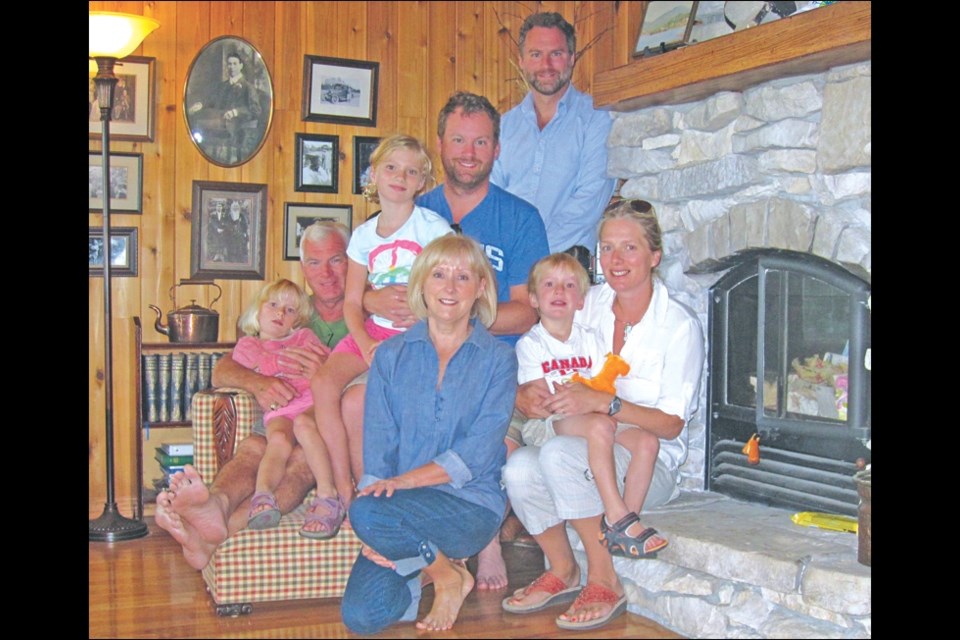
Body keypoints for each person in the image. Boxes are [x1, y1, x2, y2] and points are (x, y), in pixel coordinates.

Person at [351, 91, 549, 590]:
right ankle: (391, 527)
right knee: (364, 406)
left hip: (495, 359)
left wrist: (459, 321)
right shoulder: (413, 205)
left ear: (496, 149)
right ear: (439, 145)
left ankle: (480, 545)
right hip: (411, 354)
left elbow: (527, 308)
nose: (469, 150)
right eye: (459, 139)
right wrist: (375, 302)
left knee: (488, 434)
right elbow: (364, 285)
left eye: (481, 141)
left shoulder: (520, 218)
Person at [501, 199, 704, 631]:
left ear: (654, 256)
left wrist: (605, 405)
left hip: (648, 462)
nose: (616, 260)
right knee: (519, 467)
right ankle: (562, 568)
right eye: (606, 248)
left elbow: (671, 425)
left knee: (557, 455)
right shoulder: (584, 301)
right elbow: (543, 352)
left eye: (629, 248)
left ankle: (604, 575)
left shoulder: (678, 326)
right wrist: (524, 395)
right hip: (584, 439)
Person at [340, 234, 518, 634]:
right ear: (421, 285)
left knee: (368, 511)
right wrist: (376, 523)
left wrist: (390, 498)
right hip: (400, 504)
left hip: (469, 506)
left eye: (463, 277)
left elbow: (478, 452)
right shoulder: (390, 355)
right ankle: (442, 568)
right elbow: (379, 446)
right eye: (438, 275)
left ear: (481, 288)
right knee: (363, 617)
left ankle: (445, 574)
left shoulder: (499, 360)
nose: (450, 287)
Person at [154, 221, 351, 569]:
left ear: (352, 261)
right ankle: (214, 507)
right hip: (281, 414)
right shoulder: (290, 310)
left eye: (336, 260)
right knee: (253, 449)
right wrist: (259, 383)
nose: (327, 273)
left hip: (332, 420)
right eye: (315, 262)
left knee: (301, 460)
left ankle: (217, 535)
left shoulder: (364, 312)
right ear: (303, 268)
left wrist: (332, 373)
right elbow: (224, 369)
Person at [301, 133, 452, 536]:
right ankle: (335, 488)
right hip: (371, 332)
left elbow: (450, 288)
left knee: (358, 400)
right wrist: (365, 343)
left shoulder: (433, 229)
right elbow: (353, 302)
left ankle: (367, 490)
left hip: (413, 339)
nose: (400, 177)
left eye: (411, 171)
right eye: (391, 167)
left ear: (423, 182)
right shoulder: (365, 236)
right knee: (322, 383)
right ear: (374, 174)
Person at [513, 252, 668, 556]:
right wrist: (584, 401)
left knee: (647, 442)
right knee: (599, 426)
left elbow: (602, 385)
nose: (560, 292)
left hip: (591, 415)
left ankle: (622, 528)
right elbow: (543, 403)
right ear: (533, 299)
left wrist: (590, 399)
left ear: (581, 301)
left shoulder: (591, 339)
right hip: (549, 423)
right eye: (549, 285)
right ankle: (616, 510)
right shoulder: (531, 345)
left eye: (570, 285)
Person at [491, 11, 616, 254]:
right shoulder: (503, 127)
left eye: (556, 54)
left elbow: (589, 202)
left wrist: (533, 250)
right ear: (522, 60)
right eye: (536, 55)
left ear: (571, 58)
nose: (546, 65)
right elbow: (491, 198)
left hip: (566, 268)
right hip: (507, 263)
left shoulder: (596, 119)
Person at [230, 278, 343, 538]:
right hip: (280, 406)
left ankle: (328, 495)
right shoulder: (249, 345)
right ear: (257, 311)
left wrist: (324, 363)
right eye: (273, 305)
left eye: (290, 310)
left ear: (297, 320)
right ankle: (263, 496)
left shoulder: (304, 337)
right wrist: (270, 361)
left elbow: (329, 361)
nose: (280, 313)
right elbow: (246, 366)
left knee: (305, 426)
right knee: (278, 439)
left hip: (310, 400)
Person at [187, 51, 263, 163]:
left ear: (241, 66)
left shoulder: (248, 88)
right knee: (199, 125)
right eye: (229, 64)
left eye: (235, 64)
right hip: (220, 123)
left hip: (238, 126)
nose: (232, 67)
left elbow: (256, 110)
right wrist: (200, 105)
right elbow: (212, 100)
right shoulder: (223, 86)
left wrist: (236, 112)